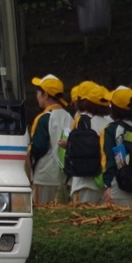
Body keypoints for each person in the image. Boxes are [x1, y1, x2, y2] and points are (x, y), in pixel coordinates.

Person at [62, 83, 110, 204]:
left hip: (84, 182)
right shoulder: (108, 123)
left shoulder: (82, 120)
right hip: (102, 182)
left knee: (82, 214)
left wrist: (68, 145)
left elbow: (79, 148)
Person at [28, 73, 71, 205]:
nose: (37, 95)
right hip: (65, 177)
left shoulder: (43, 118)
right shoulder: (69, 116)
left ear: (45, 95)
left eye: (38, 92)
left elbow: (38, 147)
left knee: (41, 210)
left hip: (44, 176)